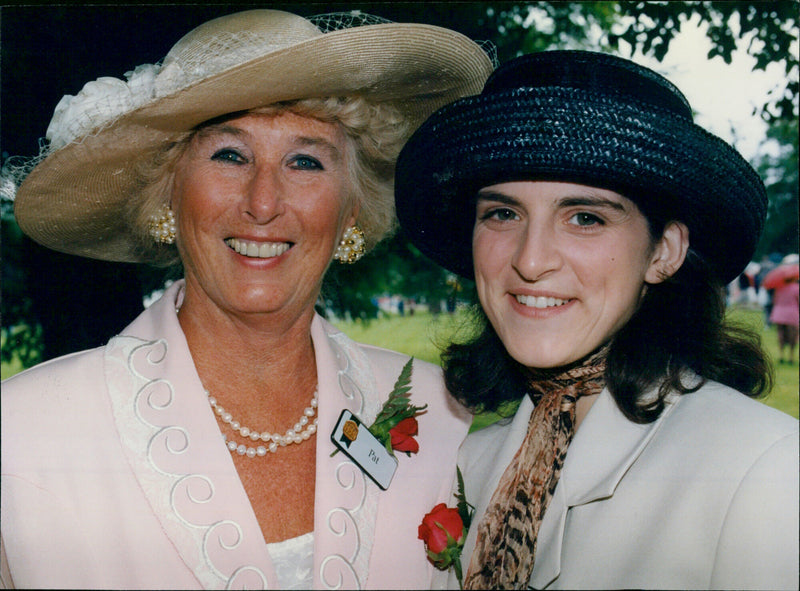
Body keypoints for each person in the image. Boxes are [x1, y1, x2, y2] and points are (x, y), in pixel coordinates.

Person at [0, 9, 494, 589]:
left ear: (351, 212)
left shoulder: (440, 414)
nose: (264, 203)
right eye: (229, 155)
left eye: (305, 160)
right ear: (168, 196)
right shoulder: (21, 433)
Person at [395, 51, 799, 589]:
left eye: (585, 217)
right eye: (502, 213)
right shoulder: (473, 458)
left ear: (665, 251)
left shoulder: (762, 468)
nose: (530, 260)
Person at [769, 255, 800, 365]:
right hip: (792, 314)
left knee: (781, 334)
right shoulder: (796, 288)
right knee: (793, 336)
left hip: (779, 313)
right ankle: (791, 356)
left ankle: (781, 355)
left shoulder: (779, 287)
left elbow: (775, 300)